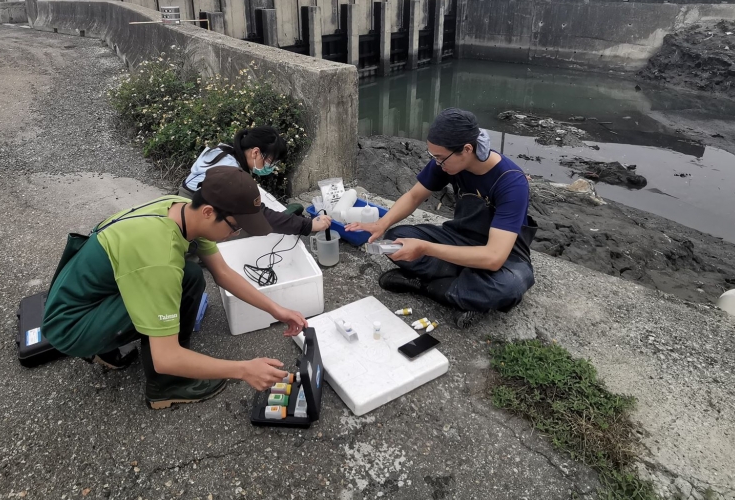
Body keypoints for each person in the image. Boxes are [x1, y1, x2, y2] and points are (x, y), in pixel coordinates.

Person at [42, 167, 307, 410]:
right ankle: (165, 386)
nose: (236, 235)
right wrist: (243, 369)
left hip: (86, 297)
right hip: (70, 325)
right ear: (208, 213)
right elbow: (165, 357)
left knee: (190, 275)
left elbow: (223, 273)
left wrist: (277, 309)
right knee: (179, 284)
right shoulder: (160, 256)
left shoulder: (182, 209)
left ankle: (108, 346)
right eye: (235, 227)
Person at [347, 108, 538, 329]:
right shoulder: (449, 161)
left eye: (439, 158)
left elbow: (494, 257)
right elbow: (414, 195)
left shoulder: (511, 182)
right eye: (433, 157)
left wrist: (425, 249)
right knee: (396, 239)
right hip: (459, 238)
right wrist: (381, 223)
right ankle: (461, 292)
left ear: (467, 149)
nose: (437, 163)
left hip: (505, 257)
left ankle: (423, 286)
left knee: (510, 286)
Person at [181, 125, 331, 236]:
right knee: (250, 231)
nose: (272, 167)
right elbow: (259, 215)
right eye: (271, 161)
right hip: (194, 216)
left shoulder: (223, 151)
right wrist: (308, 225)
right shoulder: (231, 173)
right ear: (255, 152)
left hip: (183, 200)